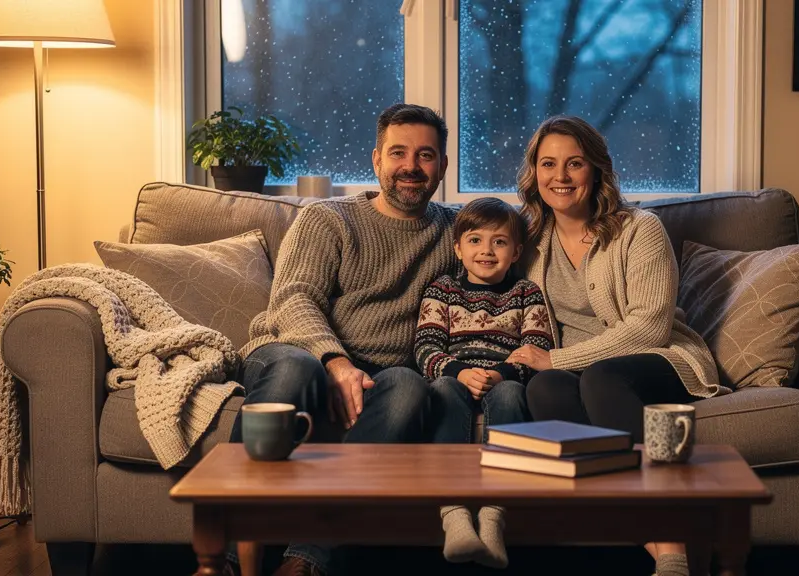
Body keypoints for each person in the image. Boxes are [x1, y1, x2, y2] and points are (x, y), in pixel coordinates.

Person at [227, 103, 459, 576]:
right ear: (376, 160)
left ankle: (304, 560)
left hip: (388, 374)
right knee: (297, 369)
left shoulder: (459, 233)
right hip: (294, 350)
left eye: (426, 155)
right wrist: (335, 362)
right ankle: (229, 560)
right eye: (398, 153)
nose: (411, 167)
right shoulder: (328, 219)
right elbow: (292, 300)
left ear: (443, 166)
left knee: (411, 389)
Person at [505, 115, 726, 576]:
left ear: (597, 170)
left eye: (574, 164)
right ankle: (660, 541)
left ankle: (672, 549)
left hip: (657, 360)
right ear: (534, 173)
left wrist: (557, 359)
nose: (560, 177)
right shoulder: (528, 241)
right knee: (543, 390)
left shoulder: (638, 229)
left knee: (600, 377)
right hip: (577, 374)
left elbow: (649, 327)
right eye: (548, 164)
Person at [415, 197, 554, 569]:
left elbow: (537, 347)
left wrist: (502, 373)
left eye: (500, 241)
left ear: (516, 251)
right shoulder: (442, 290)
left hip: (504, 378)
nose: (487, 251)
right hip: (455, 378)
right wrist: (458, 371)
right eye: (475, 240)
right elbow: (426, 348)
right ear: (458, 248)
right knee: (443, 390)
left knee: (511, 393)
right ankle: (454, 513)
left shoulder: (526, 293)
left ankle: (493, 515)